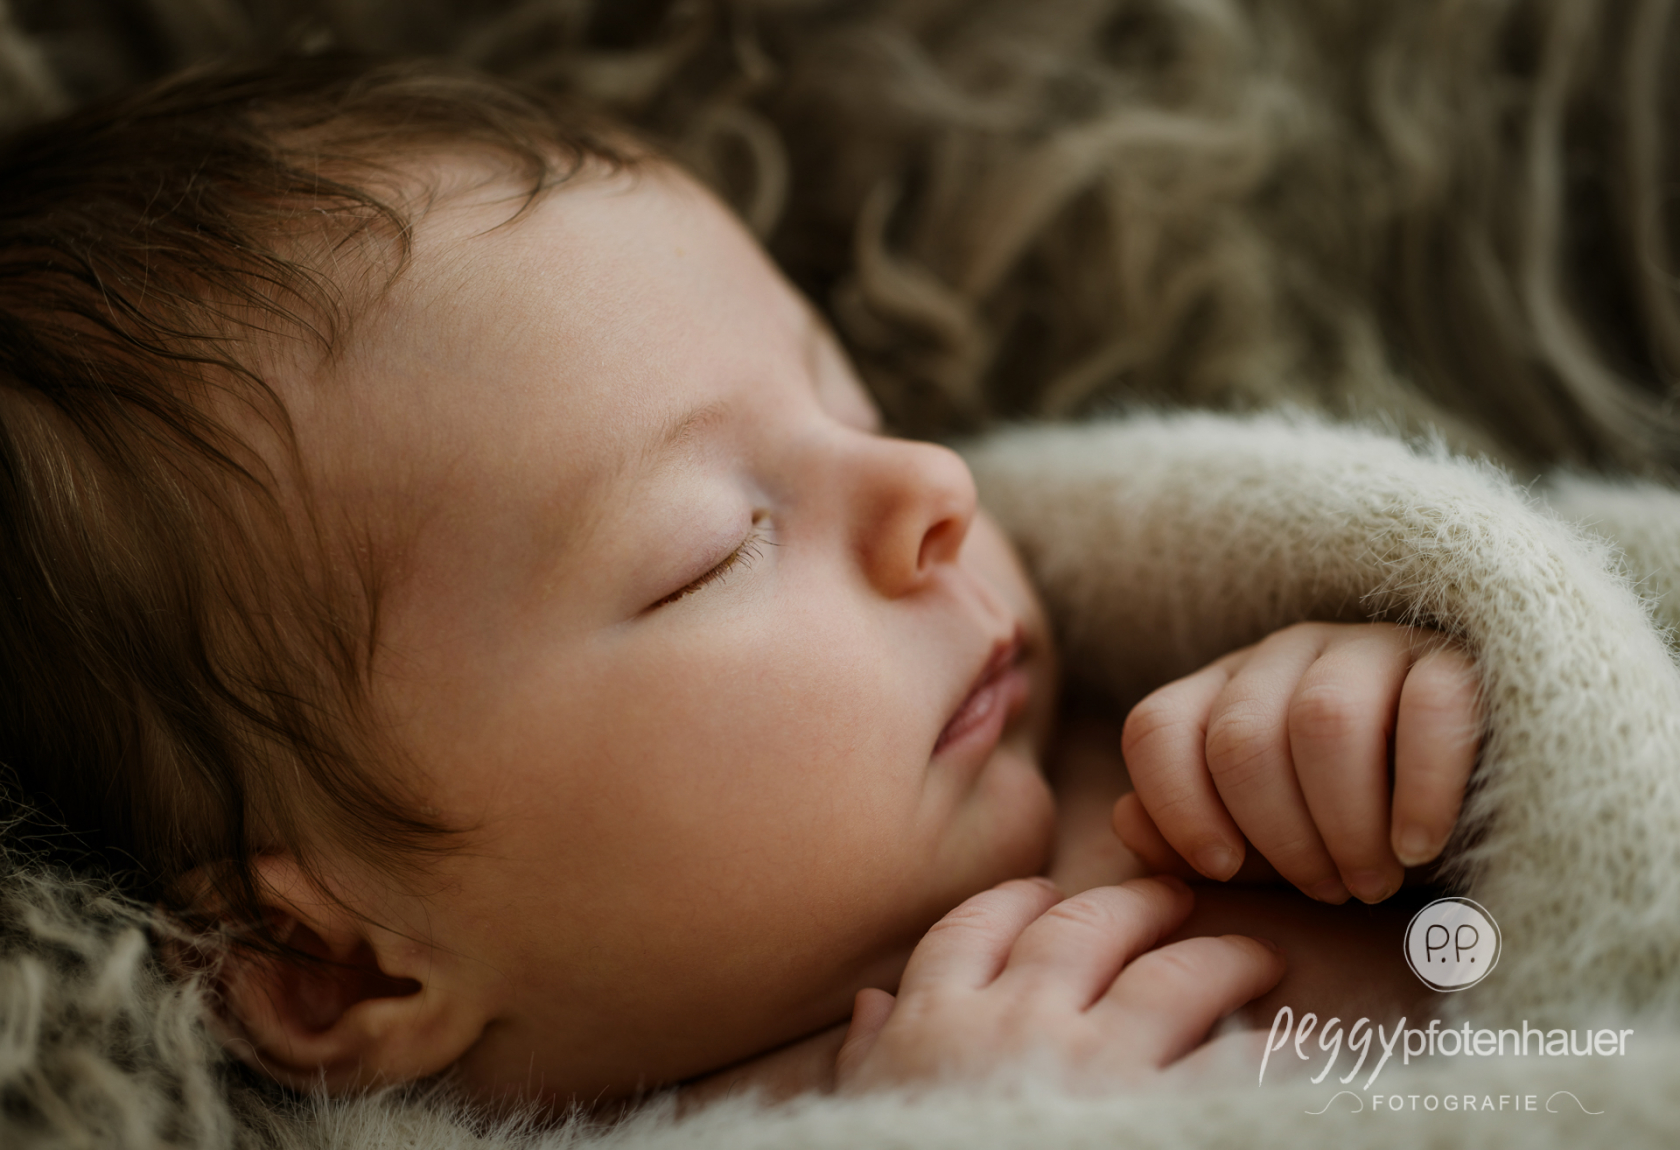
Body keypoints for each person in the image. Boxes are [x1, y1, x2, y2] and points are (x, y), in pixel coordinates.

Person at [0, 57, 1481, 1109]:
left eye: (843, 390)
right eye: (717, 544)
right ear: (329, 965)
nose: (931, 489)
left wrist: (1403, 712)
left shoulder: (1160, 712)